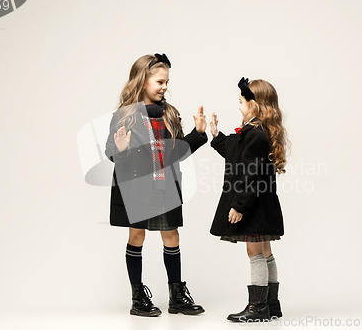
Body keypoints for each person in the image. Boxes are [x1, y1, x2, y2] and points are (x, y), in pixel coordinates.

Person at [105, 53, 206, 317]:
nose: (164, 87)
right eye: (159, 81)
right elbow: (111, 152)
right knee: (136, 237)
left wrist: (199, 134)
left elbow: (178, 152)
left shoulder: (170, 114)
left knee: (172, 236)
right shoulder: (124, 116)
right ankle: (138, 297)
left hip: (165, 187)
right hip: (136, 189)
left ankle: (176, 295)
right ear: (142, 81)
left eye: (166, 82)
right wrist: (120, 149)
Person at [209, 77, 290, 322]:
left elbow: (250, 174)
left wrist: (239, 205)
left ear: (254, 105)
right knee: (265, 251)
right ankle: (271, 304)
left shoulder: (256, 134)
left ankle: (258, 307)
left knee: (254, 251)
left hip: (253, 205)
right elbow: (236, 154)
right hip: (263, 205)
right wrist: (216, 136)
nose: (239, 107)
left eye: (242, 102)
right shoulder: (258, 132)